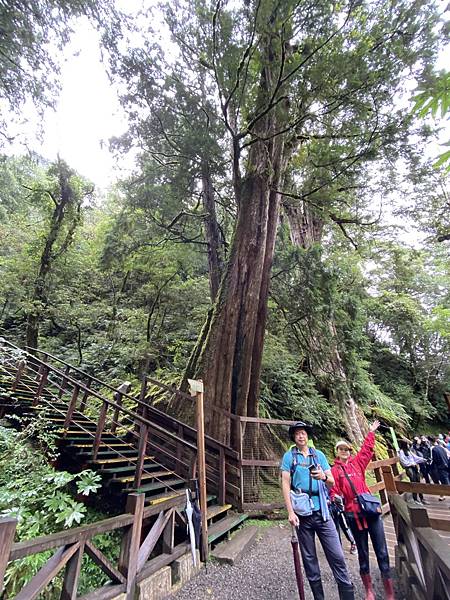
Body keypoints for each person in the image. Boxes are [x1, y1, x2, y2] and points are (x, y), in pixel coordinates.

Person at [281, 421, 355, 600]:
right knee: (309, 559)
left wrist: (323, 476)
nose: (301, 436)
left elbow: (331, 482)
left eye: (303, 433)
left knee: (337, 555)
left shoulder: (318, 455)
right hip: (302, 514)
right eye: (297, 433)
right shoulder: (289, 457)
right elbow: (285, 483)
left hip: (323, 511)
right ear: (294, 437)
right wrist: (290, 512)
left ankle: (347, 594)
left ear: (308, 436)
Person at [331, 421, 395, 600]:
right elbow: (333, 490)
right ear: (337, 452)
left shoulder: (357, 464)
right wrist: (334, 499)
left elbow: (366, 450)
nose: (344, 452)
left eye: (347, 449)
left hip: (371, 513)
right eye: (341, 449)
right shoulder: (334, 471)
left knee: (381, 550)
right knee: (363, 552)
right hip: (353, 515)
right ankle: (369, 591)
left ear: (350, 451)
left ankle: (389, 591)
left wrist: (371, 432)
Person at [398, 440, 426, 504]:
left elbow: (415, 458)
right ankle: (415, 499)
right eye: (407, 444)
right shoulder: (401, 452)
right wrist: (410, 464)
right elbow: (403, 461)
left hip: (414, 467)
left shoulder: (409, 451)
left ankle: (421, 498)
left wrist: (423, 459)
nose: (408, 445)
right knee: (413, 483)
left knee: (418, 482)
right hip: (409, 468)